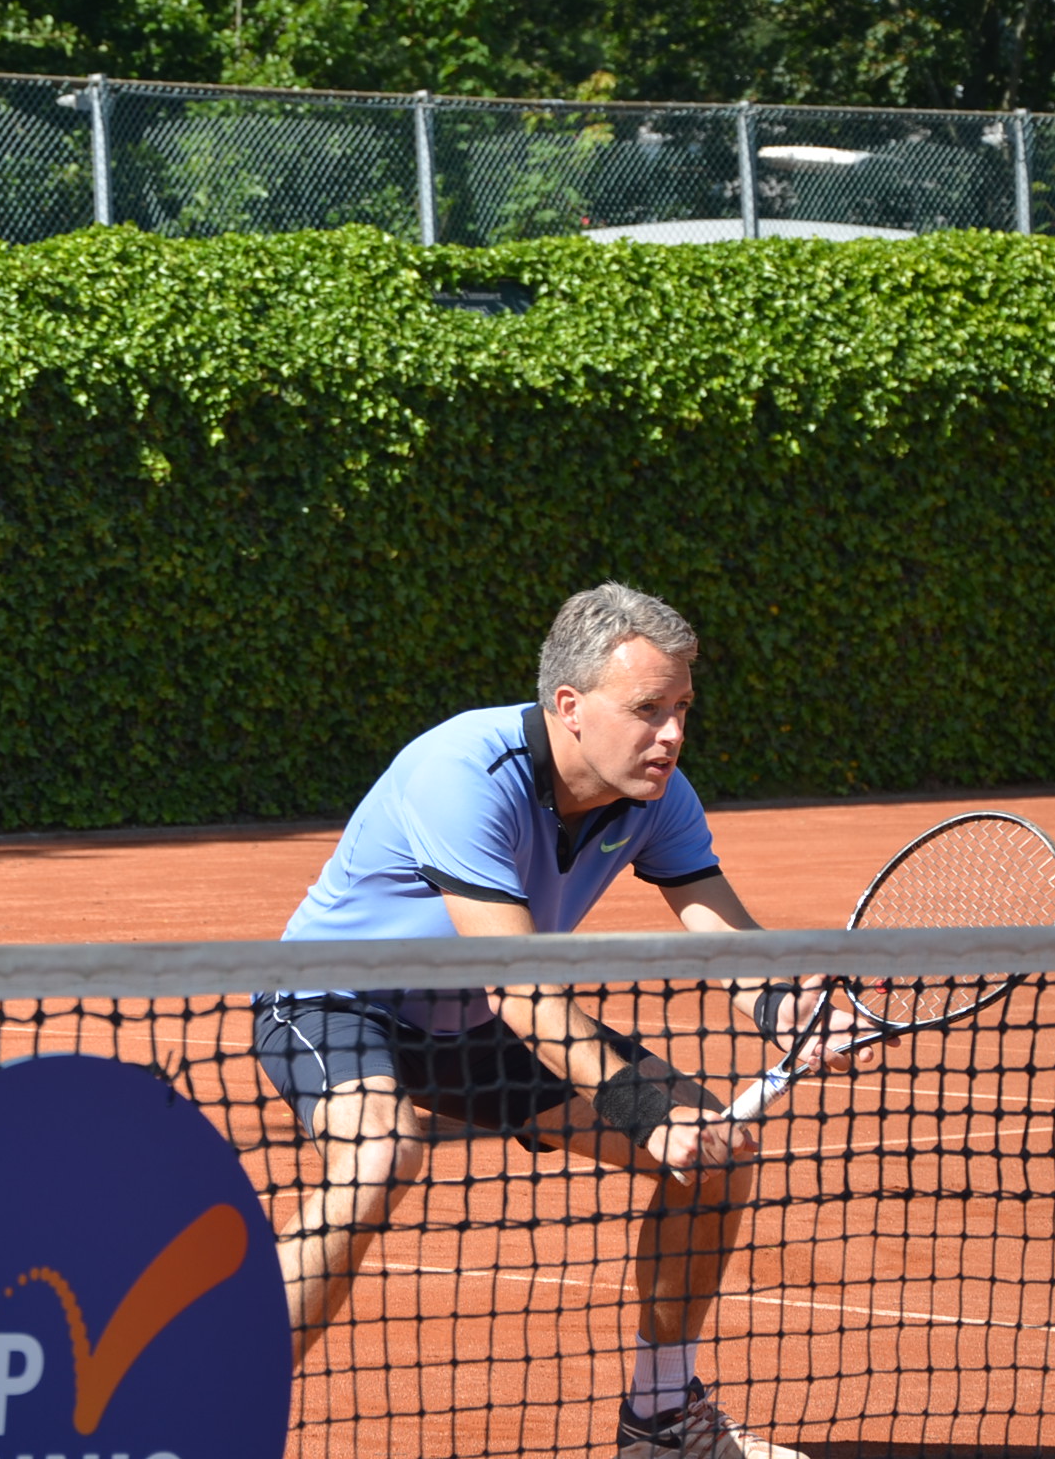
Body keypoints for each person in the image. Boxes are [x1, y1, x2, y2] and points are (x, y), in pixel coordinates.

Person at [253, 582, 861, 1459]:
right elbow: (522, 989)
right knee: (381, 1155)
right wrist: (652, 1117)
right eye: (648, 709)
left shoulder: (658, 794)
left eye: (682, 707)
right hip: (334, 998)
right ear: (569, 707)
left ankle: (659, 1424)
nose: (673, 734)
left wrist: (790, 1009)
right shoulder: (462, 771)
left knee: (717, 1157)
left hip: (467, 1023)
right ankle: (213, 1405)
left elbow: (721, 928)